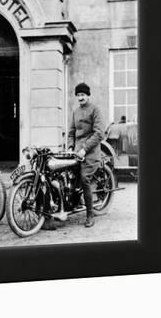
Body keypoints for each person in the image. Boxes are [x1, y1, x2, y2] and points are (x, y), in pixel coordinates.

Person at [67, 82, 105, 228]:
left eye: (83, 94)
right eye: (78, 95)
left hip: (91, 152)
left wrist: (84, 149)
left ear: (88, 95)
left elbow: (99, 133)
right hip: (77, 152)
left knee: (84, 179)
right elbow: (71, 132)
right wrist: (71, 146)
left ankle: (90, 214)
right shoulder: (75, 111)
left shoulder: (95, 110)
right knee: (67, 175)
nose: (80, 97)